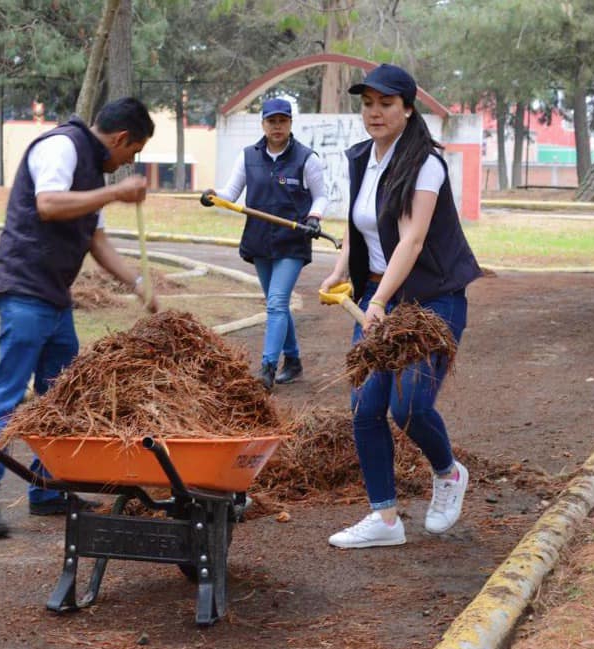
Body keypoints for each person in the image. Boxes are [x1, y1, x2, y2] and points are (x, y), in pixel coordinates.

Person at [0, 97, 159, 537]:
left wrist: (138, 283)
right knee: (8, 394)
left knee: (62, 395)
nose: (130, 162)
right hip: (25, 289)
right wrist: (115, 192)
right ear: (121, 138)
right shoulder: (62, 148)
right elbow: (48, 204)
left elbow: (96, 240)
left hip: (54, 297)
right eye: (134, 151)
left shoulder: (92, 173)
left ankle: (49, 488)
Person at [319, 64, 483, 548]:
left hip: (433, 299)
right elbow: (362, 226)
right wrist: (341, 271)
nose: (375, 112)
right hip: (377, 293)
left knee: (408, 405)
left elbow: (410, 241)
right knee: (365, 407)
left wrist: (382, 301)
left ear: (408, 109)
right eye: (368, 103)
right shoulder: (359, 159)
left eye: (386, 104)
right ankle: (385, 519)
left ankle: (448, 473)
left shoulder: (426, 163)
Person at [200, 98, 327, 390]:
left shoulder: (307, 158)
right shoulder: (248, 156)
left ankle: (267, 368)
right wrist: (213, 195)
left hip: (292, 240)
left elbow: (321, 195)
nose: (277, 126)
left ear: (291, 123)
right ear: (263, 124)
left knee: (277, 302)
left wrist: (314, 217)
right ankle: (293, 360)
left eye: (283, 120)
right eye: (272, 121)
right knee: (276, 303)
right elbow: (231, 193)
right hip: (259, 240)